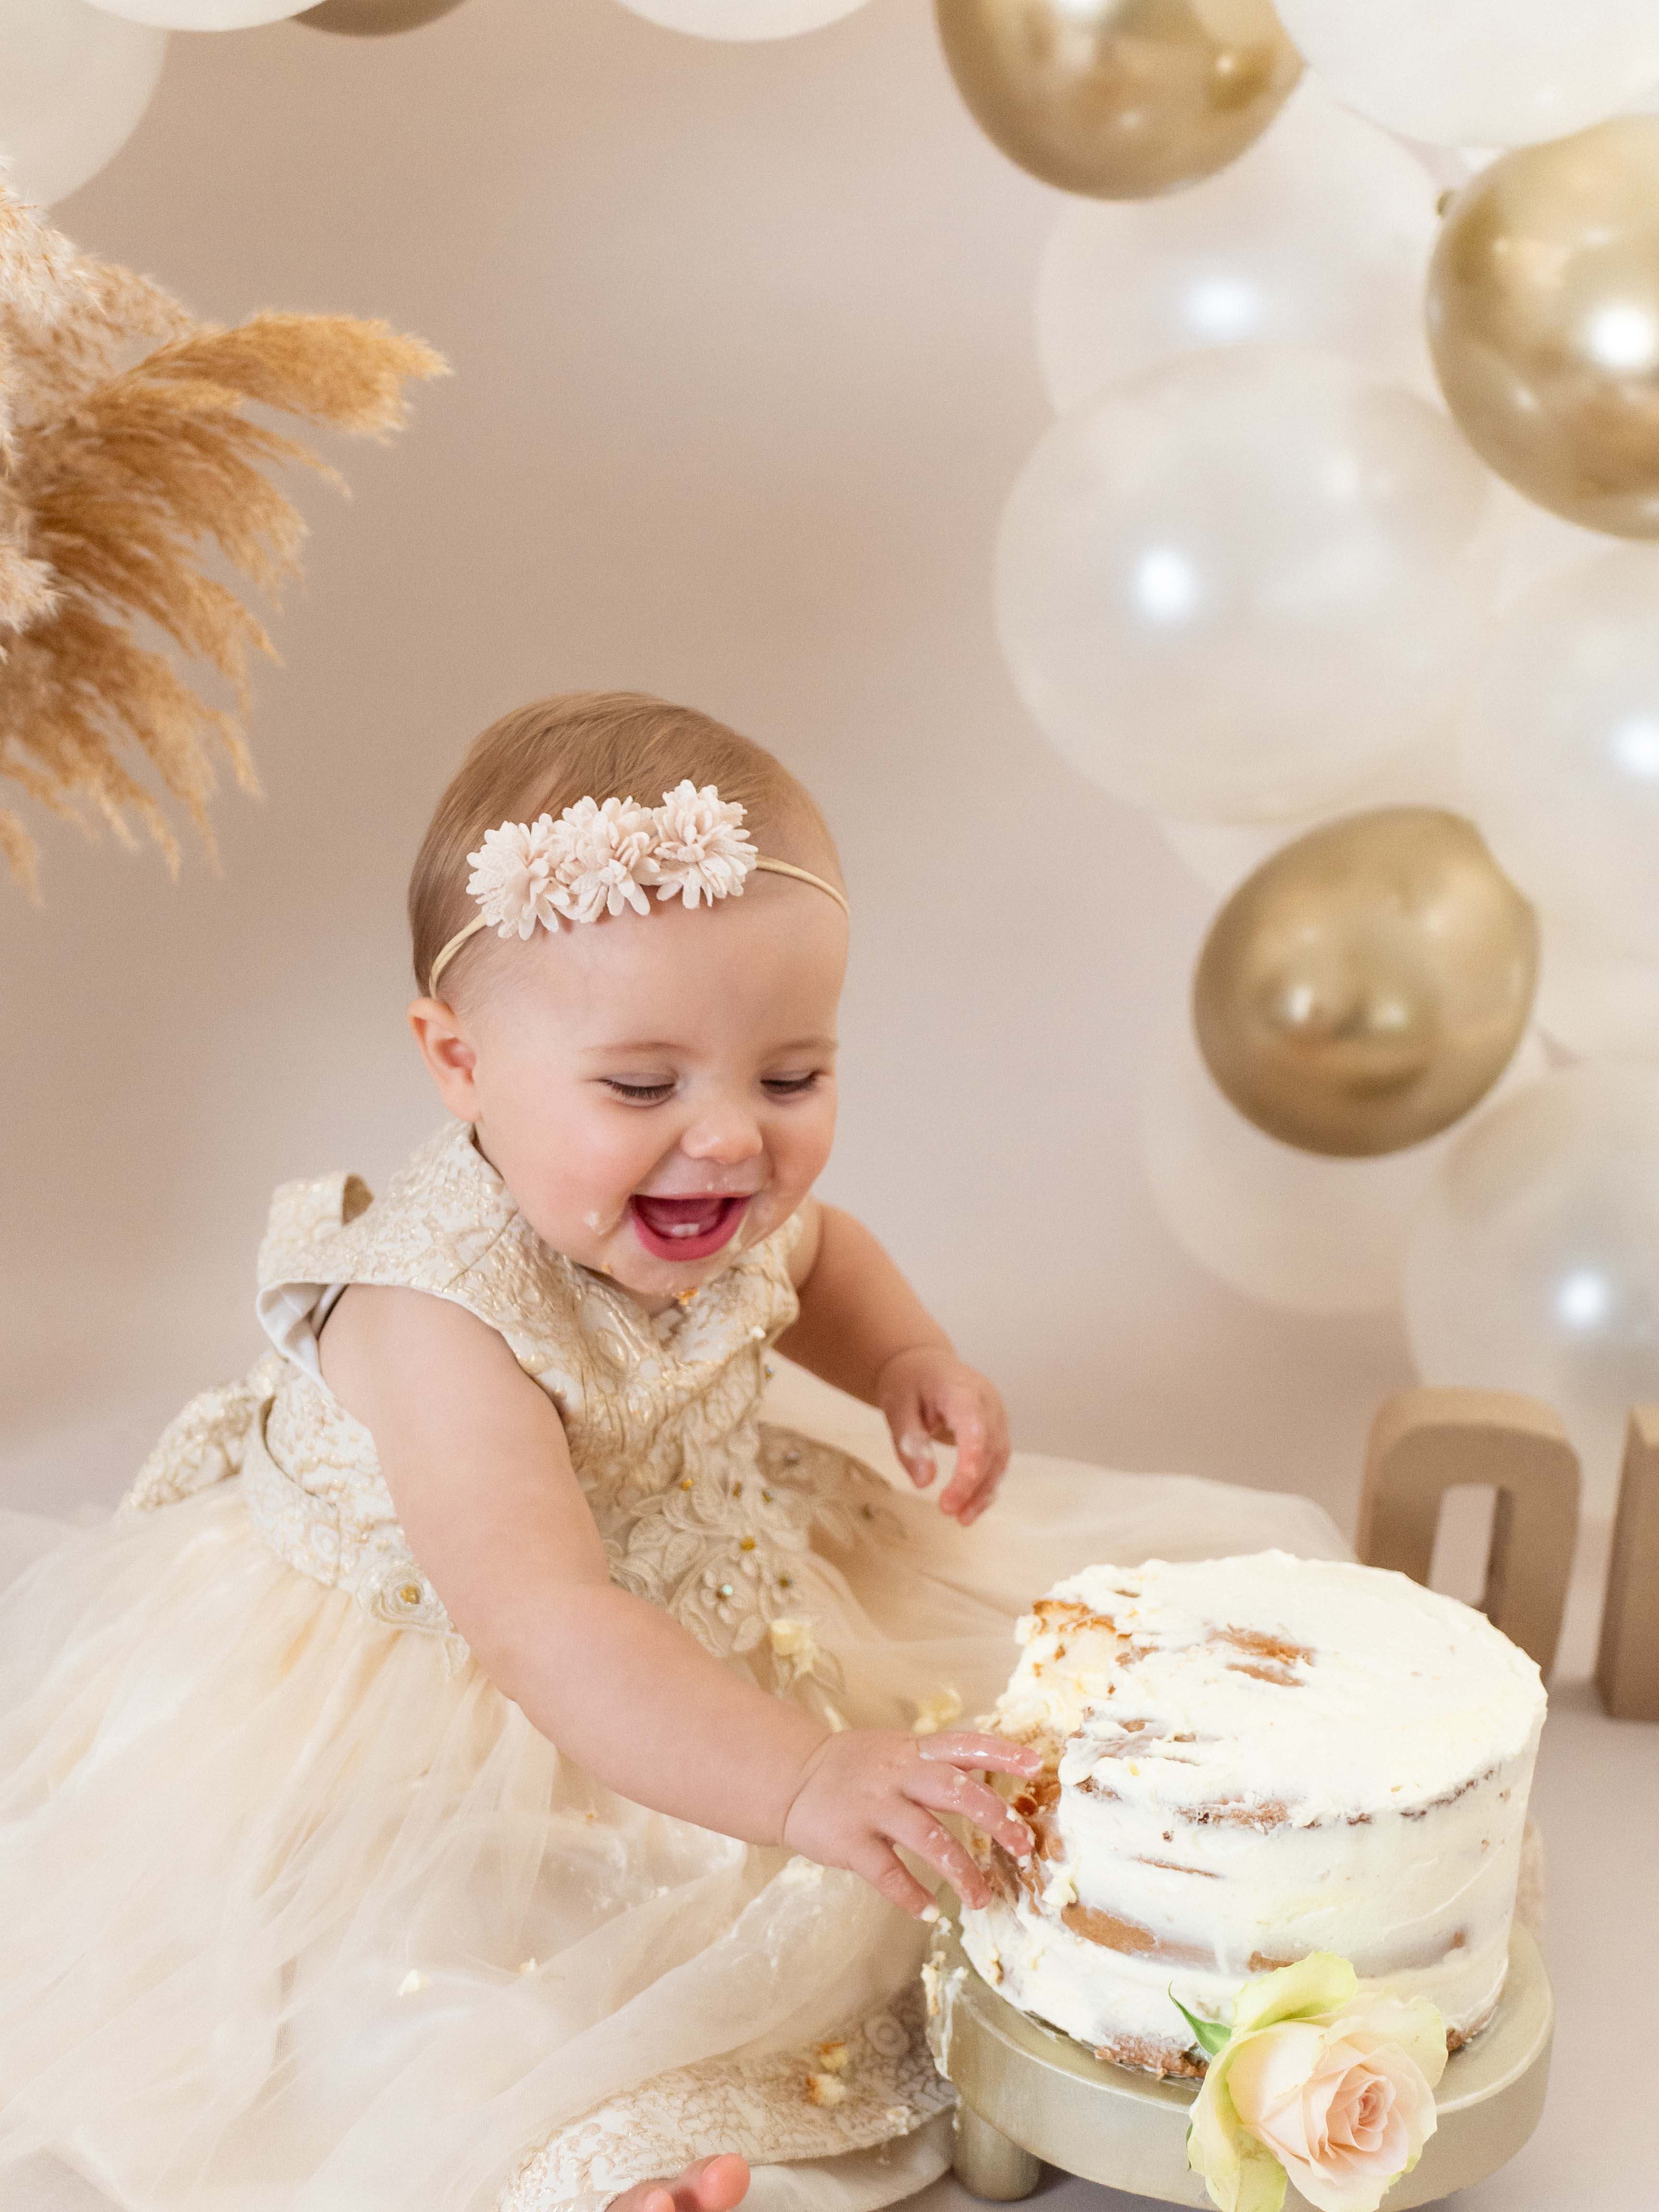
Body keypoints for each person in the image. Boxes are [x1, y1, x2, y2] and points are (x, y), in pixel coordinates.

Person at [0, 693, 1346, 2212]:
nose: (729, 1144)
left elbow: (822, 1258)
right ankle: (573, 2165)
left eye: (791, 1078)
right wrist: (805, 1775)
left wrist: (907, 1361)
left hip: (701, 1573)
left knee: (1012, 1774)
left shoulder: (730, 1206)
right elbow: (553, 1630)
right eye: (642, 1088)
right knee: (438, 1943)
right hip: (458, 1671)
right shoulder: (435, 1317)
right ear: (458, 1063)